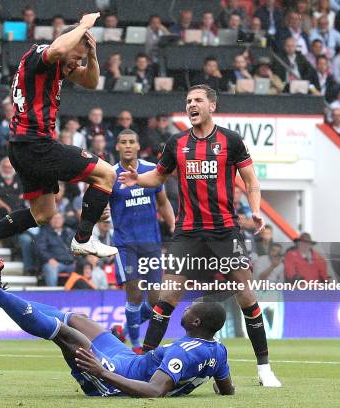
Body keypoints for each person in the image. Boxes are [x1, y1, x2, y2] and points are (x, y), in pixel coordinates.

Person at [118, 84, 281, 387]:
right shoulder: (176, 143)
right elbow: (159, 175)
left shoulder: (231, 141)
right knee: (168, 296)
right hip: (188, 232)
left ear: (212, 106)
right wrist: (138, 178)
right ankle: (144, 363)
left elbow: (251, 181)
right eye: (188, 101)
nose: (191, 105)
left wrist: (256, 210)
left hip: (224, 230)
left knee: (247, 295)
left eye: (198, 100)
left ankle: (264, 368)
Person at [0, 12, 118, 268]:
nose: (76, 64)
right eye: (76, 57)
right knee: (105, 175)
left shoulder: (59, 63)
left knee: (44, 214)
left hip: (24, 146)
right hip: (36, 144)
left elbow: (91, 82)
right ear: (68, 41)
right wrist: (84, 25)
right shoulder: (42, 55)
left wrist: (91, 54)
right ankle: (83, 238)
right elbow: (59, 48)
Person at [0, 266, 235, 398]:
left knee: (68, 335)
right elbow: (227, 390)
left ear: (196, 323)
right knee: (79, 319)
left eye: (191, 310)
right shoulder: (219, 350)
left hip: (114, 378)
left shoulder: (182, 352)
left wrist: (102, 372)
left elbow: (155, 392)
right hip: (129, 360)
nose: (185, 309)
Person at [109, 129, 175, 353]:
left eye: (131, 142)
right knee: (135, 293)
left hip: (151, 243)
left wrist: (174, 227)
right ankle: (136, 346)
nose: (127, 145)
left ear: (138, 146)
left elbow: (164, 202)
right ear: (117, 146)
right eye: (123, 142)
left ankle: (125, 332)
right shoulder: (110, 175)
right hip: (125, 244)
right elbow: (97, 204)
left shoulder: (151, 171)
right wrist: (99, 215)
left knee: (156, 299)